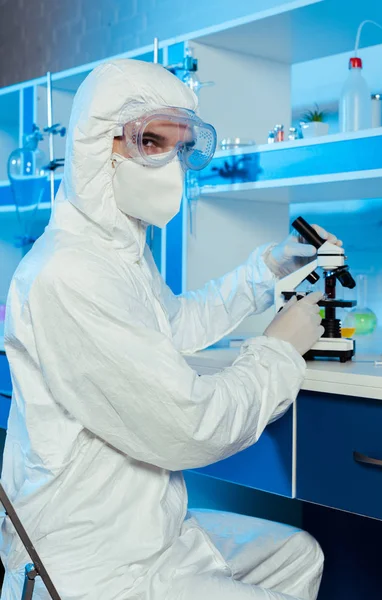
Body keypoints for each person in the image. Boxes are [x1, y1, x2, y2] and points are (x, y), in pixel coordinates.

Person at [0, 59, 341, 600]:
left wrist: (268, 268)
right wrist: (278, 350)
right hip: (95, 567)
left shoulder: (118, 253)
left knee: (298, 555)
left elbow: (174, 324)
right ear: (97, 144)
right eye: (150, 141)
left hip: (148, 535)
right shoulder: (69, 273)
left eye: (179, 147)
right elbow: (192, 426)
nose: (171, 165)